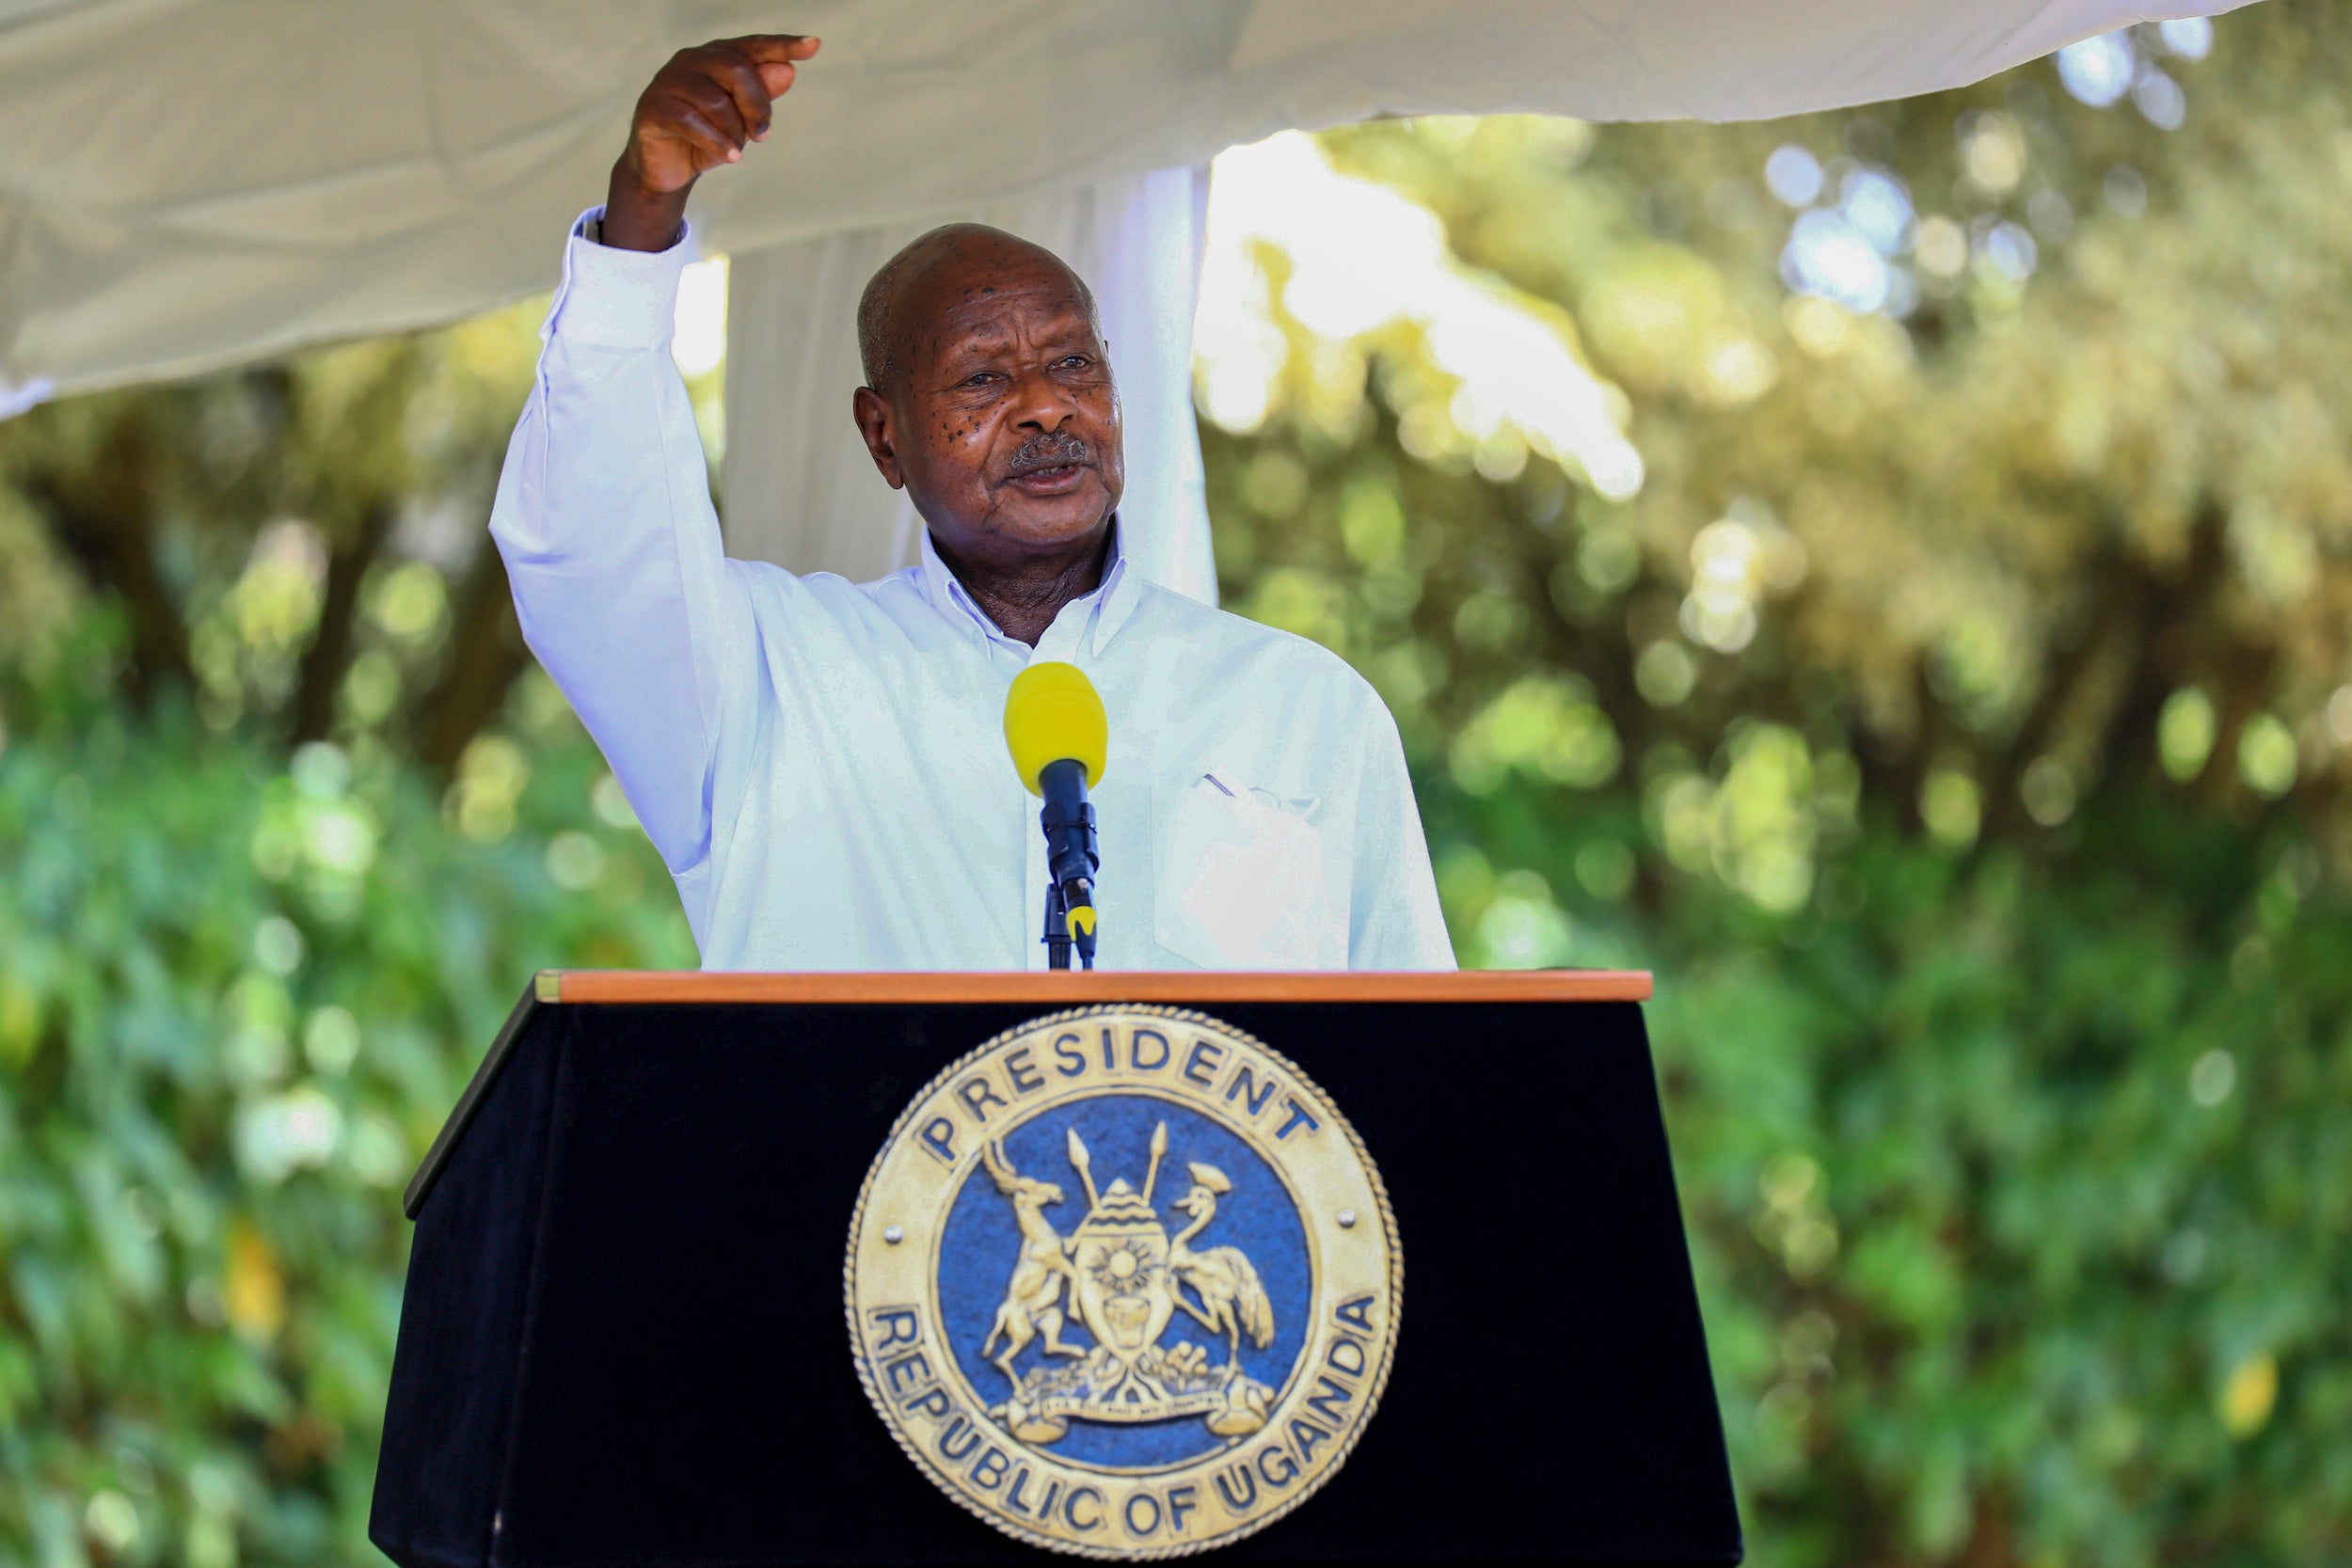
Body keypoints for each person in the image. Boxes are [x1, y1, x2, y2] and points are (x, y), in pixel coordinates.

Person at [490, 34, 1453, 972]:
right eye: (983, 380)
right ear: (884, 437)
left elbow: (1415, 1064)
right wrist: (642, 220)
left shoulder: (1303, 709)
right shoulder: (771, 679)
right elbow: (598, 546)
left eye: (1073, 362)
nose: (1045, 405)